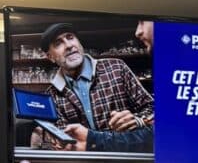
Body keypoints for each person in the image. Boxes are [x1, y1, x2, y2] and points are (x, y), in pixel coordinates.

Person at [34, 22, 153, 153]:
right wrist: (51, 140)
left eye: (70, 37)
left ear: (79, 42)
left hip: (126, 157)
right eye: (58, 43)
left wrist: (138, 120)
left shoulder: (116, 68)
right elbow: (62, 139)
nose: (68, 45)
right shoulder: (51, 95)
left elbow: (153, 109)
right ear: (50, 57)